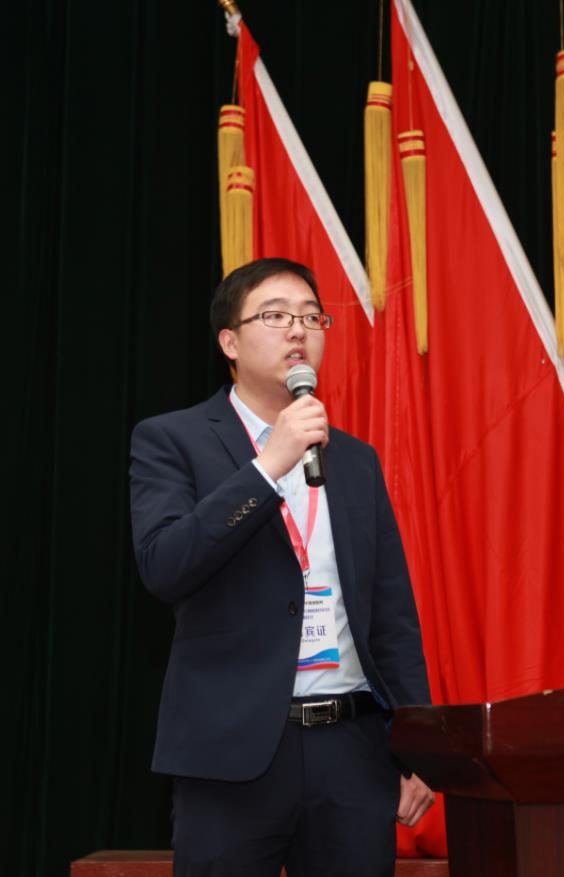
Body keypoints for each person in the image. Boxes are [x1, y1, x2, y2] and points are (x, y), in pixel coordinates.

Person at [130, 257, 435, 876]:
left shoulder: (355, 460)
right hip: (231, 755)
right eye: (274, 316)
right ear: (230, 342)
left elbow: (392, 618)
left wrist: (419, 749)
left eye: (311, 317)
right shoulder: (172, 440)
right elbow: (166, 564)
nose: (298, 329)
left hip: (352, 752)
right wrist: (268, 466)